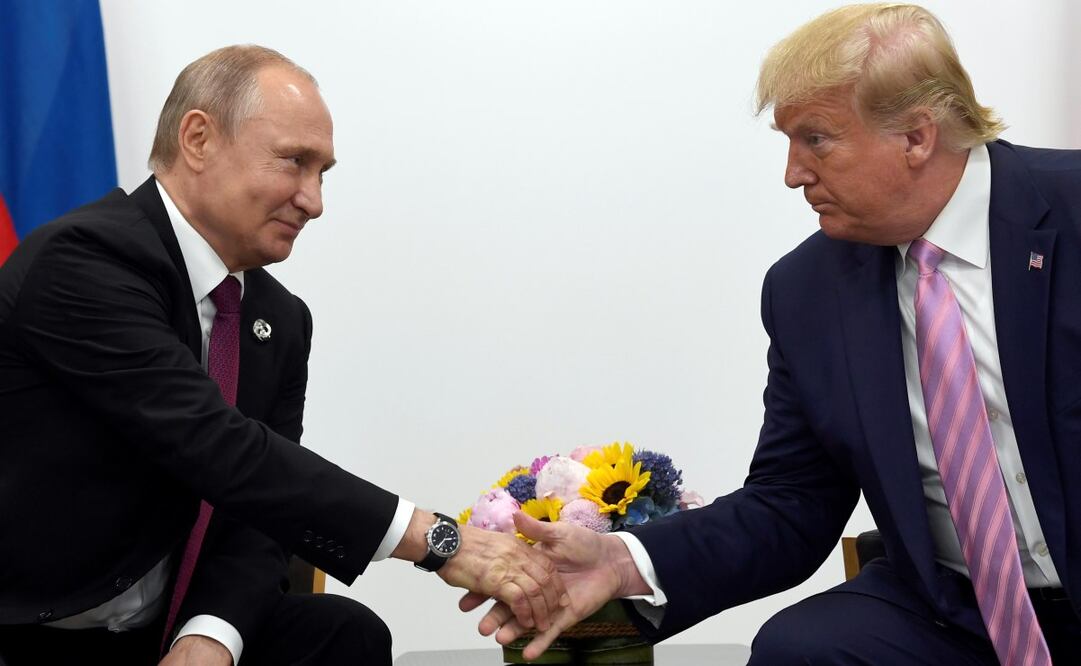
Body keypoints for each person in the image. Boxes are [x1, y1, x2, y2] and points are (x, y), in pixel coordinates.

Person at [472, 4, 1081, 664]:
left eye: (815, 139)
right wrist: (624, 559)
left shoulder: (1069, 210)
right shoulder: (806, 289)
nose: (792, 173)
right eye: (787, 142)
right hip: (953, 611)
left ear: (914, 135)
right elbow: (790, 503)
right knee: (801, 649)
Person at [0, 45, 566, 666]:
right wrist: (440, 542)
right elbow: (215, 445)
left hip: (159, 627)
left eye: (323, 173)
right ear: (198, 139)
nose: (314, 200)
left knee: (344, 635)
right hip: (31, 629)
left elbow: (259, 511)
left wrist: (208, 636)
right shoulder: (84, 261)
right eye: (294, 162)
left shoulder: (280, 318)